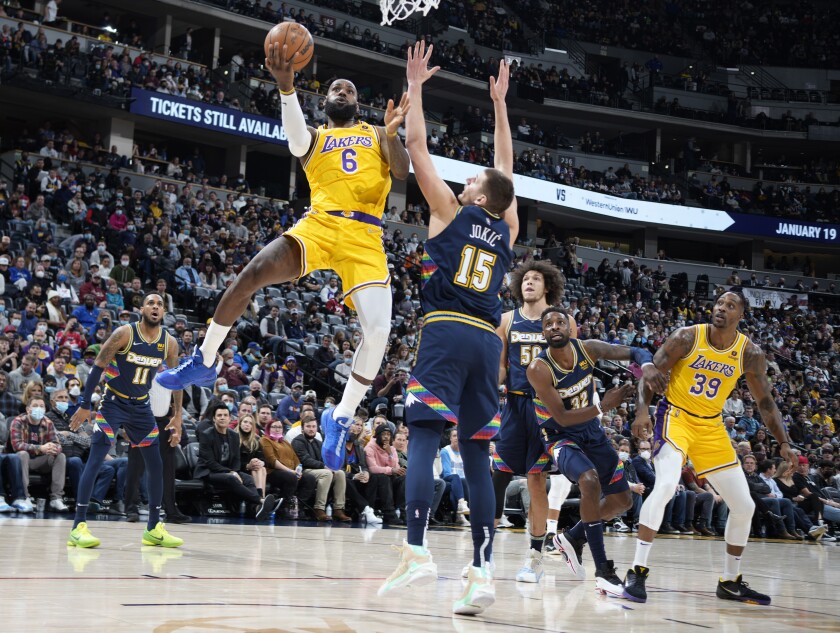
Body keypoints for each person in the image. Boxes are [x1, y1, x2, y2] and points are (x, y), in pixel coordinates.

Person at [158, 39, 411, 476]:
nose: (344, 92)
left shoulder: (375, 133)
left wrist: (391, 133)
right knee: (252, 272)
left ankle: (342, 415)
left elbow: (404, 172)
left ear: (358, 103)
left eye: (351, 90)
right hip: (321, 224)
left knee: (378, 332)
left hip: (365, 236)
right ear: (326, 100)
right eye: (337, 88)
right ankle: (204, 359)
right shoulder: (315, 136)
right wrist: (286, 86)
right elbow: (295, 142)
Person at [378, 43, 517, 616]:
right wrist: (500, 108)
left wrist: (417, 88)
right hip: (489, 341)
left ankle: (415, 550)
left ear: (477, 195)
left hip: (445, 331)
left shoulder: (449, 212)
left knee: (427, 434)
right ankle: (482, 571)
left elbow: (416, 147)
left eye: (473, 180)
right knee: (479, 454)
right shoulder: (506, 226)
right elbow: (507, 172)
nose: (466, 181)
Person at [628, 291, 797, 605]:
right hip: (675, 416)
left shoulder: (750, 352)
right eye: (719, 303)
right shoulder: (687, 337)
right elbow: (650, 373)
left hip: (711, 427)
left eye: (730, 305)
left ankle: (730, 581)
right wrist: (641, 411)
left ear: (741, 315)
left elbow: (765, 402)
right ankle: (637, 570)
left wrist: (784, 442)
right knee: (665, 486)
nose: (721, 308)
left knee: (744, 506)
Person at [527, 307, 661, 597]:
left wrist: (647, 366)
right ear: (543, 333)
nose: (554, 326)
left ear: (570, 328)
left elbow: (636, 352)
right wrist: (604, 406)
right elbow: (561, 417)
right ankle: (603, 571)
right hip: (559, 435)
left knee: (622, 501)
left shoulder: (587, 349)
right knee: (588, 481)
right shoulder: (538, 368)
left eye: (560, 321)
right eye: (548, 324)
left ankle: (572, 537)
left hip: (591, 432)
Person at [66, 294, 185, 549]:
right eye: (151, 303)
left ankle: (153, 527)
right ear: (141, 308)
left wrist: (178, 415)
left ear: (164, 312)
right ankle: (78, 526)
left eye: (160, 304)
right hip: (113, 403)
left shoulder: (169, 343)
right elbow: (98, 366)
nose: (155, 307)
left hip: (142, 407)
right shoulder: (125, 333)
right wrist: (85, 404)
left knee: (156, 463)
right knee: (96, 459)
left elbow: (176, 379)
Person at [491, 259, 572, 583]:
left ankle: (535, 558)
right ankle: (483, 556)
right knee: (498, 474)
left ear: (547, 286)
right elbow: (499, 368)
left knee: (537, 481)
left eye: (536, 278)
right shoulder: (507, 320)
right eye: (525, 278)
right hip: (513, 405)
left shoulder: (562, 322)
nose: (529, 283)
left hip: (545, 410)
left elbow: (572, 368)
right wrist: (484, 383)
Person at [196, 403, 277, 521]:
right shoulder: (206, 435)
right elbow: (210, 463)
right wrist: (231, 472)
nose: (222, 417)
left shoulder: (234, 435)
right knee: (231, 478)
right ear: (214, 418)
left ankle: (255, 508)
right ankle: (260, 501)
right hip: (208, 472)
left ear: (230, 418)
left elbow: (236, 460)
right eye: (219, 415)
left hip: (228, 471)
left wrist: (234, 471)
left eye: (225, 415)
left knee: (248, 479)